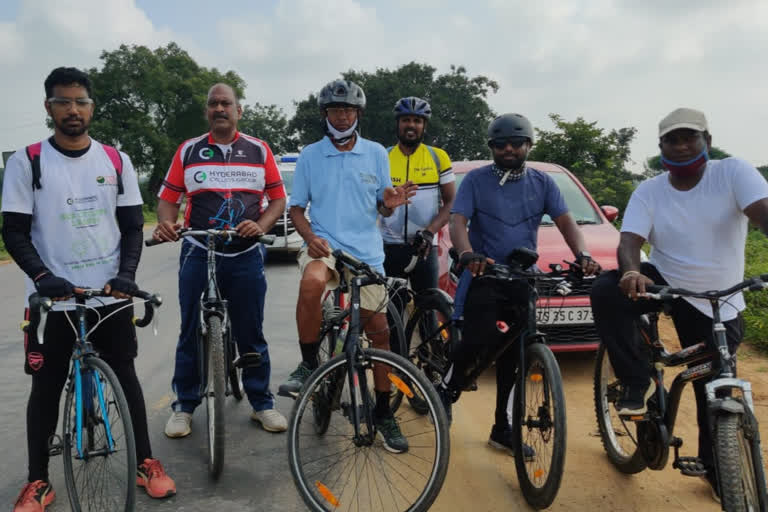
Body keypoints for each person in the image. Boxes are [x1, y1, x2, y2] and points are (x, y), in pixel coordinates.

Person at [2, 67, 175, 511]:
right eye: (63, 102)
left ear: (92, 107)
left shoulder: (115, 160)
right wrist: (43, 278)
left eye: (80, 101)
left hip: (109, 296)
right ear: (49, 108)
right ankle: (38, 481)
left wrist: (127, 276)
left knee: (126, 378)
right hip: (52, 300)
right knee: (46, 388)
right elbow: (15, 232)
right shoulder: (28, 161)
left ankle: (146, 463)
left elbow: (134, 227)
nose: (73, 110)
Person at [590, 107, 768, 500]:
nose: (682, 144)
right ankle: (636, 380)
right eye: (673, 138)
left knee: (715, 386)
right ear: (661, 146)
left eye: (690, 136)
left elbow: (762, 214)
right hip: (666, 280)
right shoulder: (649, 190)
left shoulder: (733, 172)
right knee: (605, 290)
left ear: (707, 138)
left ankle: (717, 467)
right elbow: (630, 240)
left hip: (720, 295)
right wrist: (630, 273)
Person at [441, 113, 599, 457]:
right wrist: (467, 254)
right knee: (479, 339)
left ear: (528, 145)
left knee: (516, 354)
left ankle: (502, 428)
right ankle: (446, 387)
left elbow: (566, 222)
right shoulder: (476, 181)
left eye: (516, 143)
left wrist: (583, 254)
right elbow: (458, 221)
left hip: (521, 278)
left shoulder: (543, 182)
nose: (509, 149)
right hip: (484, 274)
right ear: (492, 147)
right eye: (501, 144)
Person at [276, 79, 417, 453]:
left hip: (366, 254)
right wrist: (309, 238)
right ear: (325, 115)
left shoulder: (375, 154)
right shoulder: (310, 155)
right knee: (311, 283)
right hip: (325, 245)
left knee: (380, 332)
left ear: (358, 114)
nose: (342, 116)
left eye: (348, 110)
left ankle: (384, 410)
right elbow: (295, 208)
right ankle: (308, 364)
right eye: (335, 110)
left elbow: (382, 204)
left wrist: (391, 202)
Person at [153, 83, 288, 437]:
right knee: (188, 330)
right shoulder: (189, 150)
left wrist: (260, 226)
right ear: (207, 112)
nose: (219, 108)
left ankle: (262, 403)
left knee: (251, 331)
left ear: (238, 111)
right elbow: (169, 198)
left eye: (226, 103)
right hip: (199, 250)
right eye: (213, 104)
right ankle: (184, 405)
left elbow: (277, 200)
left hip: (244, 253)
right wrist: (167, 222)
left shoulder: (259, 150)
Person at [379, 96, 455, 295]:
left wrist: (430, 232)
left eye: (417, 121)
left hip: (425, 247)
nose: (411, 125)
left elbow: (451, 202)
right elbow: (376, 205)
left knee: (428, 311)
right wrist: (386, 207)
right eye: (406, 120)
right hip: (389, 247)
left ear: (424, 126)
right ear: (397, 123)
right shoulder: (382, 157)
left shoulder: (438, 157)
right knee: (391, 314)